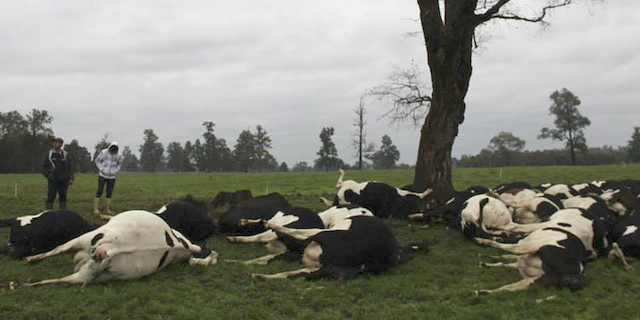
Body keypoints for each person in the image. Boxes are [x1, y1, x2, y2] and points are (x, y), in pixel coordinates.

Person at [43, 137, 74, 210]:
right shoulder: (49, 154)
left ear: (61, 144)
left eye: (58, 143)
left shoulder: (65, 154)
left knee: (63, 197)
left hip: (63, 180)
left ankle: (63, 212)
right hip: (53, 180)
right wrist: (48, 175)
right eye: (54, 142)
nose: (56, 144)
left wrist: (71, 178)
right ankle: (49, 212)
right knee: (51, 196)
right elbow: (44, 167)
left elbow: (69, 167)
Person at [93, 141, 123, 214]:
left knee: (109, 192)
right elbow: (97, 161)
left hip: (112, 176)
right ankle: (96, 209)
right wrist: (101, 169)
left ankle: (107, 209)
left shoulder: (119, 156)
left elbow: (119, 164)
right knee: (99, 191)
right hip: (102, 175)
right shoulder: (104, 152)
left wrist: (115, 171)